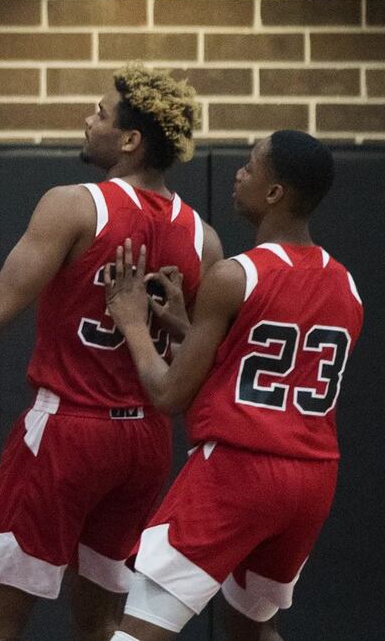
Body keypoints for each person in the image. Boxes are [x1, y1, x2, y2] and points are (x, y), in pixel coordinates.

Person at [0, 66, 223, 641]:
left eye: (101, 114)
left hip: (68, 430)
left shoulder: (75, 205)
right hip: (145, 444)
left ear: (131, 140)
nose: (89, 120)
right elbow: (196, 358)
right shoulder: (202, 235)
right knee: (100, 623)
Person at [102, 131, 359, 641]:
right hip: (312, 479)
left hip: (239, 472)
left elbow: (169, 394)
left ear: (274, 193)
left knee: (138, 631)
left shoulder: (234, 275)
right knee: (252, 628)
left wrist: (132, 320)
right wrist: (186, 328)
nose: (239, 173)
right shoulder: (346, 284)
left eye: (250, 166)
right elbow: (266, 365)